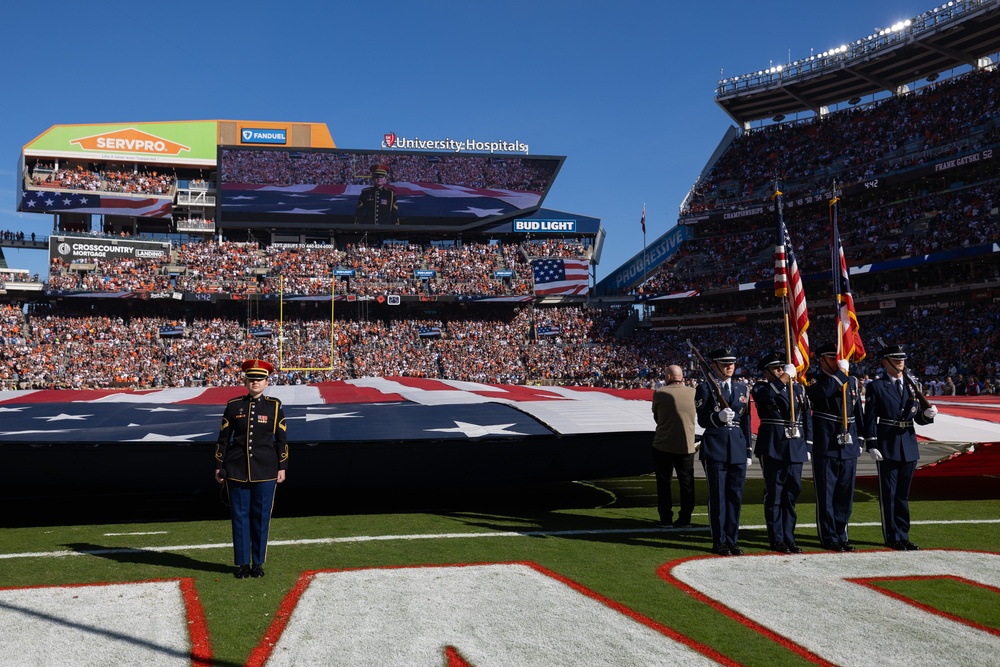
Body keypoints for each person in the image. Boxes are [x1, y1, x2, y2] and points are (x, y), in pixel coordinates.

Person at [215, 359, 289, 579]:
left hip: (266, 471)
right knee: (239, 517)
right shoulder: (233, 406)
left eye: (260, 379)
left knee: (261, 518)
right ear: (245, 381)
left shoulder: (274, 407)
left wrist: (282, 466)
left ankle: (257, 563)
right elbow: (223, 439)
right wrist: (219, 466)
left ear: (267, 382)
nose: (255, 382)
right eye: (251, 378)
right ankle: (241, 564)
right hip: (236, 470)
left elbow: (282, 440)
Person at [862, 344, 937, 550]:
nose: (900, 362)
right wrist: (872, 443)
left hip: (908, 444)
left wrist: (926, 416)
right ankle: (892, 536)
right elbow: (870, 418)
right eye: (896, 359)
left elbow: (916, 418)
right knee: (889, 493)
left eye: (902, 359)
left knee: (903, 494)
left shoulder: (913, 385)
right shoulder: (876, 387)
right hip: (887, 443)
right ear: (885, 362)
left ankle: (903, 535)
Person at [805, 343, 863, 552]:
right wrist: (841, 374)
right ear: (822, 360)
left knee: (845, 495)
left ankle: (842, 534)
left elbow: (857, 411)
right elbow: (821, 394)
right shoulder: (812, 378)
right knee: (827, 494)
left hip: (848, 444)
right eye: (833, 358)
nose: (838, 361)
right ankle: (829, 536)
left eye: (839, 358)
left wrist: (861, 440)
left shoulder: (852, 381)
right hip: (826, 443)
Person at [751, 353, 811, 554]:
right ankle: (777, 538)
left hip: (795, 445)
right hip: (773, 445)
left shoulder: (799, 388)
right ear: (766, 372)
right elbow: (766, 396)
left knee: (792, 492)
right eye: (776, 369)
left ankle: (789, 536)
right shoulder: (760, 387)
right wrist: (784, 378)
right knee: (775, 493)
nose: (780, 371)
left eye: (782, 368)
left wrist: (808, 444)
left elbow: (806, 417)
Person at [694, 347, 752, 556]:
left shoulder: (742, 389)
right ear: (715, 365)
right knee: (718, 496)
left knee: (735, 496)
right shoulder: (704, 388)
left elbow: (746, 421)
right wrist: (716, 418)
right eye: (725, 363)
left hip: (737, 446)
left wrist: (748, 451)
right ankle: (719, 541)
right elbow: (701, 419)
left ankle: (732, 540)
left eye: (732, 363)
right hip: (716, 446)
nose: (730, 367)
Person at [651, 364, 697, 529]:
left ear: (668, 377)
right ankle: (685, 519)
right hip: (686, 445)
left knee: (664, 484)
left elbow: (657, 416)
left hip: (663, 444)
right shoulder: (693, 392)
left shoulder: (660, 393)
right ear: (682, 377)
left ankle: (666, 519)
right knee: (687, 484)